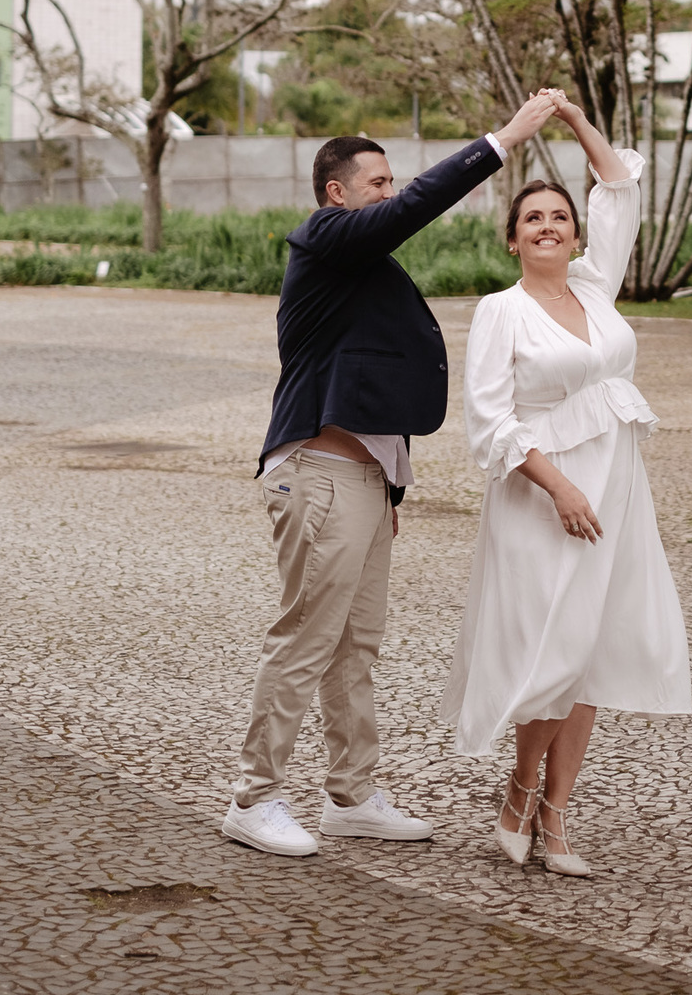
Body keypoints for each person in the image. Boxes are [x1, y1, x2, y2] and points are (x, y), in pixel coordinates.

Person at [222, 92, 559, 859]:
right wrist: (502, 140)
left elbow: (368, 377)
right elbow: (409, 212)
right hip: (317, 468)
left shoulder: (359, 265)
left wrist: (389, 485)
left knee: (356, 645)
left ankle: (351, 795)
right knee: (306, 638)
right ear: (337, 192)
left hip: (366, 479)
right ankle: (255, 797)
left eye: (390, 180)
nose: (390, 191)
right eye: (377, 181)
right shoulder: (324, 239)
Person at [441, 91, 691, 879]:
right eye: (533, 221)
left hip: (615, 483)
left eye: (560, 218)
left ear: (574, 236)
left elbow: (617, 186)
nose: (549, 228)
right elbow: (488, 421)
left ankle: (556, 818)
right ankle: (518, 789)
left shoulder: (594, 287)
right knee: (551, 649)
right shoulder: (500, 312)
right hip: (541, 497)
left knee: (592, 651)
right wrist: (558, 488)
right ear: (513, 241)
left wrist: (576, 122)